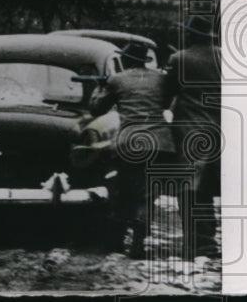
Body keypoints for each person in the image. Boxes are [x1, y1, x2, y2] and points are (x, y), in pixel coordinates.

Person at [90, 42, 175, 258]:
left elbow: (96, 109)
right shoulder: (161, 79)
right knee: (147, 196)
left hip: (130, 143)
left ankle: (115, 243)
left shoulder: (117, 80)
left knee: (122, 193)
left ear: (126, 60)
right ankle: (139, 244)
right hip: (159, 143)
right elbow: (164, 104)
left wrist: (100, 87)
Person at [164, 13, 222, 260]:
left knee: (189, 190)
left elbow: (166, 94)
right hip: (222, 130)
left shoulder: (179, 59)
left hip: (191, 131)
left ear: (191, 34)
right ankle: (207, 242)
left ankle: (199, 245)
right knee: (208, 187)